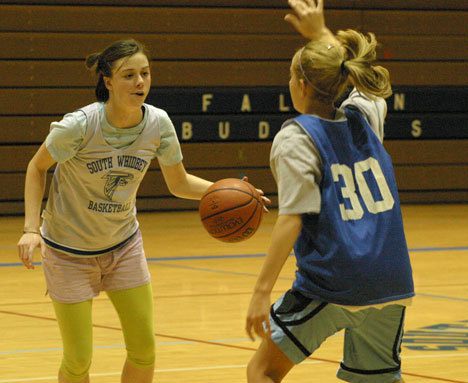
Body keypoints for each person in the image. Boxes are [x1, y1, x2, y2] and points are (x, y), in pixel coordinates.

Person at [16, 38, 251, 383]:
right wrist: (31, 228)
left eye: (145, 73)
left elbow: (179, 182)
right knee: (78, 360)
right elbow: (37, 168)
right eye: (128, 75)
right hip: (69, 253)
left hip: (123, 246)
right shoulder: (80, 125)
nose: (140, 82)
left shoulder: (158, 123)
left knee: (144, 350)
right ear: (108, 82)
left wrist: (233, 191)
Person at [245, 1, 415, 382]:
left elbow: (291, 218)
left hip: (336, 280)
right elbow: (357, 82)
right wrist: (320, 34)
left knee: (262, 371)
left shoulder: (296, 138)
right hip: (393, 280)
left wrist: (260, 292)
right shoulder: (366, 116)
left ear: (301, 84)